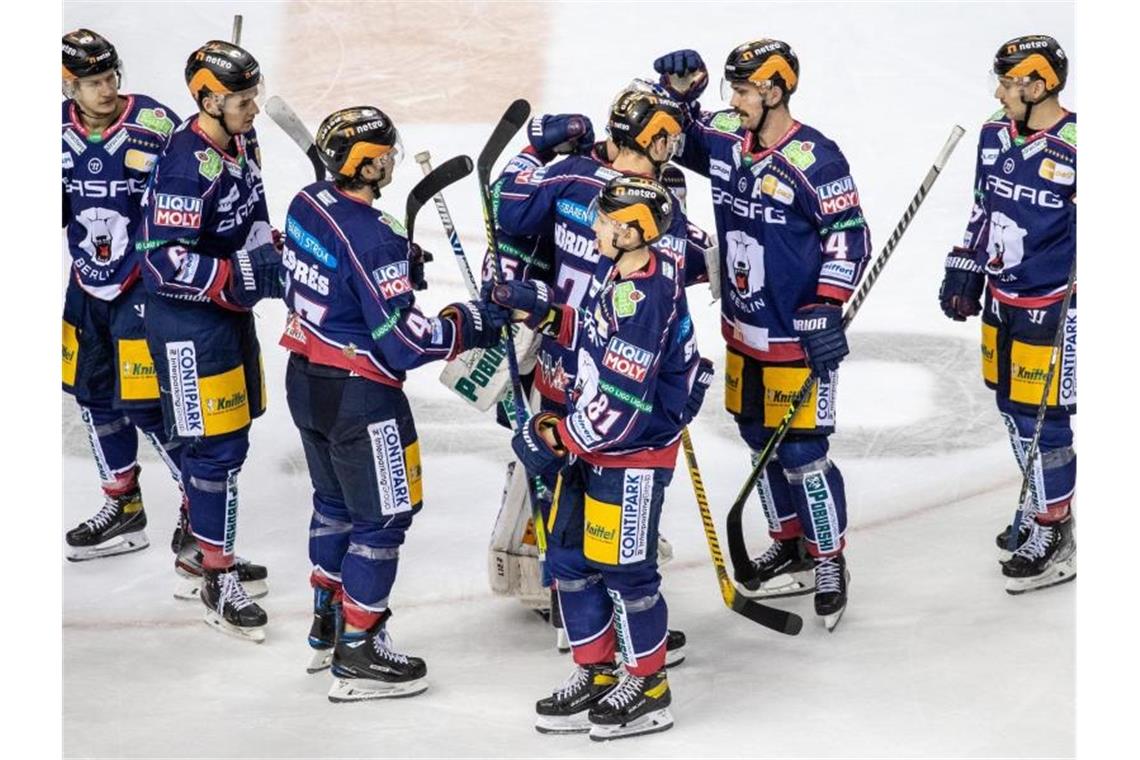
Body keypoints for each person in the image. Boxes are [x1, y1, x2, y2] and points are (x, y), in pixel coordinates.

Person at [279, 106, 510, 699]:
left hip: (306, 380)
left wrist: (391, 274)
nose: (389, 160)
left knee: (333, 504)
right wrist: (465, 322)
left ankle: (325, 622)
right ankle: (358, 649)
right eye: (382, 153)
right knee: (382, 520)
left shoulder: (306, 201)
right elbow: (406, 343)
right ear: (365, 162)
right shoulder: (375, 236)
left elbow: (324, 274)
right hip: (363, 397)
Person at [652, 39, 872, 628]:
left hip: (794, 338)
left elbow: (848, 234)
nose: (734, 101)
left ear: (775, 90)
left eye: (744, 91)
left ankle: (830, 559)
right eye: (731, 90)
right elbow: (670, 134)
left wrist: (827, 303)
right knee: (758, 441)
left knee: (803, 454)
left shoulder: (815, 158)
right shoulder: (726, 135)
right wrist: (673, 96)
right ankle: (791, 539)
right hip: (741, 332)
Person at [491, 175, 711, 741]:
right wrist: (539, 313)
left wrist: (556, 439)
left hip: (631, 453)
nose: (595, 227)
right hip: (594, 444)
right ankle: (596, 672)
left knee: (626, 572)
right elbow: (591, 333)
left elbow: (622, 402)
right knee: (568, 558)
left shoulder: (647, 297)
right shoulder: (619, 273)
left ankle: (649, 685)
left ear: (634, 231)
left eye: (607, 221)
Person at [137, 40, 279, 641]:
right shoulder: (183, 167)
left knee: (234, 438)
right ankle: (215, 577)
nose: (253, 107)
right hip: (187, 327)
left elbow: (250, 213)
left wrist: (275, 252)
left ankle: (199, 549)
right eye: (242, 99)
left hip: (226, 318)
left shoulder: (240, 141)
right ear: (208, 100)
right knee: (215, 450)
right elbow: (161, 262)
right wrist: (236, 276)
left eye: (253, 94)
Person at [938, 35, 1076, 594]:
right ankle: (1039, 499)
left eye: (1009, 81)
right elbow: (982, 206)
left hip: (1054, 304)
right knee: (1009, 407)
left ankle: (1055, 527)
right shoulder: (997, 133)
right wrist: (965, 263)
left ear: (1039, 84)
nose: (999, 91)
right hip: (1002, 299)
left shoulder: (1080, 144)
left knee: (1043, 418)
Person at [61, 29, 186, 562]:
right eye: (93, 82)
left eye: (112, 77)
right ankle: (124, 505)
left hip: (143, 288)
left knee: (145, 406)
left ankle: (196, 506)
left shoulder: (154, 125)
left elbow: (198, 179)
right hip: (86, 284)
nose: (107, 89)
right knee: (91, 398)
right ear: (70, 86)